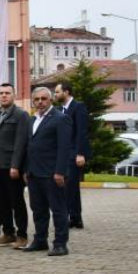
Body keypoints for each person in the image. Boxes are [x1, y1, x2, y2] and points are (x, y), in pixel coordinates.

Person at [23, 87, 73, 256]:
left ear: (50, 100)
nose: (40, 102)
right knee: (38, 210)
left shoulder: (61, 119)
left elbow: (64, 148)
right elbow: (29, 147)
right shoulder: (32, 120)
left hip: (52, 174)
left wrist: (60, 172)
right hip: (34, 173)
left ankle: (60, 244)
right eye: (36, 99)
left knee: (58, 210)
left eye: (44, 99)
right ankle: (40, 240)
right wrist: (26, 169)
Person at [0, 83, 30, 249]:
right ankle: (8, 233)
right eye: (1, 93)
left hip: (12, 168)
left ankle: (22, 235)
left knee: (16, 202)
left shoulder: (21, 115)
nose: (4, 95)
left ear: (14, 95)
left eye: (7, 93)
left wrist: (16, 166)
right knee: (1, 202)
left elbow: (21, 143)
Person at [54, 83, 89, 229]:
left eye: (57, 92)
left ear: (66, 92)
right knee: (72, 187)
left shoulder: (78, 106)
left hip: (75, 153)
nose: (55, 95)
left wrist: (81, 153)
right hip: (65, 153)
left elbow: (82, 131)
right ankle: (76, 218)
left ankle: (69, 216)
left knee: (69, 187)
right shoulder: (62, 109)